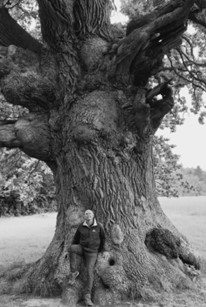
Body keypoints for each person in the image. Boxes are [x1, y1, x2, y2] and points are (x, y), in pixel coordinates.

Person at [67, 209, 105, 306]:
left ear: (93, 215)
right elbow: (75, 239)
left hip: (92, 252)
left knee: (89, 271)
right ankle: (73, 272)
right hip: (82, 248)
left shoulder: (99, 226)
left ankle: (87, 296)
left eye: (90, 213)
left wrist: (101, 250)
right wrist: (72, 249)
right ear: (84, 216)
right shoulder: (81, 226)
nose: (88, 215)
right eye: (86, 214)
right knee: (71, 248)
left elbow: (103, 238)